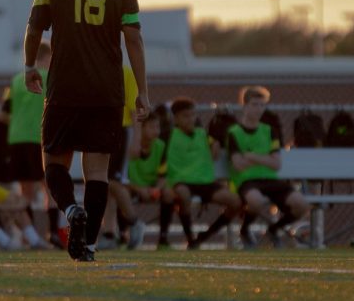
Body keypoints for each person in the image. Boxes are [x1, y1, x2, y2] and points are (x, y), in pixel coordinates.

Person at [24, 0, 149, 262]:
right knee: (97, 170)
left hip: (64, 86)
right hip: (107, 90)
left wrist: (30, 65)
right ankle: (89, 245)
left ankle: (70, 211)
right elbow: (133, 39)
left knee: (54, 164)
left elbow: (35, 28)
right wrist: (142, 90)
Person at [230, 86, 309, 249]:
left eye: (262, 105)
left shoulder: (269, 131)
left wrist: (252, 156)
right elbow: (238, 165)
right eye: (254, 104)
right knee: (256, 201)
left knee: (301, 205)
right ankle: (244, 230)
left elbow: (277, 163)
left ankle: (274, 229)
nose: (259, 109)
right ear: (244, 106)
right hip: (247, 180)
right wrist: (265, 158)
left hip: (270, 179)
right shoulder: (234, 132)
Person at [4, 42, 64, 247]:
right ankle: (53, 233)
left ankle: (26, 236)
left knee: (26, 192)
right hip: (37, 138)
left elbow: (3, 114)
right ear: (47, 57)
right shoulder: (48, 77)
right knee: (49, 188)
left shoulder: (16, 80)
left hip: (16, 139)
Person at [165, 97, 241, 249]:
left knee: (236, 202)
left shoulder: (203, 134)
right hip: (182, 181)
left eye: (193, 115)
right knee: (183, 194)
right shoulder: (169, 135)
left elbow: (215, 153)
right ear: (176, 118)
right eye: (186, 116)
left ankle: (204, 236)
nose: (191, 119)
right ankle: (190, 238)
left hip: (205, 181)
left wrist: (215, 145)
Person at [101, 65, 147, 250]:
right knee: (104, 185)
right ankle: (109, 232)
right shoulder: (95, 68)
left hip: (120, 129)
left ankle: (134, 221)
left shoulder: (124, 71)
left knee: (112, 181)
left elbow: (134, 109)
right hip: (101, 131)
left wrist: (136, 138)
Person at [126, 110, 173, 247]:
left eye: (158, 127)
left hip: (151, 188)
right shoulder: (131, 146)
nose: (156, 131)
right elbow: (122, 178)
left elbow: (163, 176)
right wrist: (140, 189)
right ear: (141, 128)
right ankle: (123, 236)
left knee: (169, 194)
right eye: (152, 127)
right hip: (132, 187)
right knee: (120, 192)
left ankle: (163, 239)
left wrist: (156, 189)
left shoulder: (160, 146)